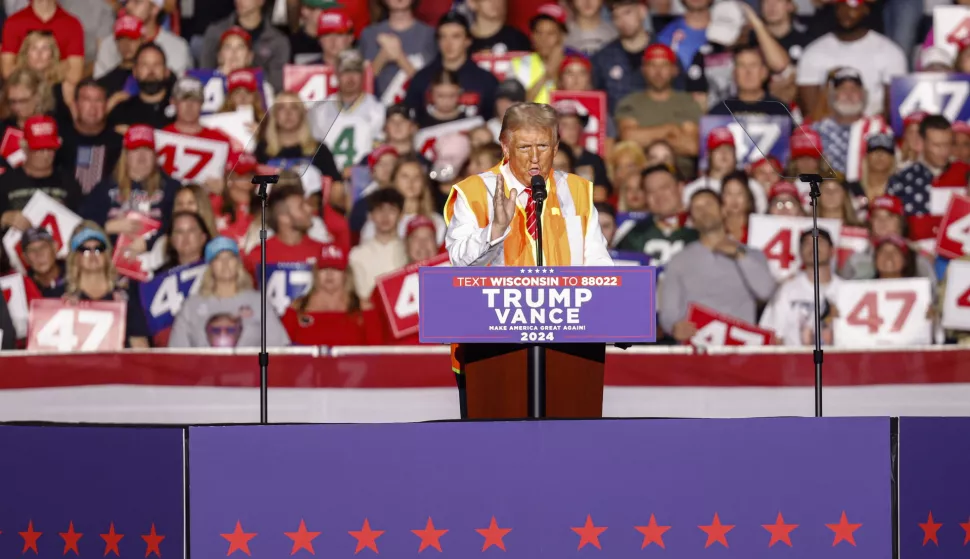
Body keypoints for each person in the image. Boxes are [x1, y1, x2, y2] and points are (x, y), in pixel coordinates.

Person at [658, 189, 776, 342]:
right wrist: (674, 327)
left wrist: (739, 255)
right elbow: (669, 312)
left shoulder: (751, 254)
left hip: (741, 352)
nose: (704, 211)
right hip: (697, 349)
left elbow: (766, 291)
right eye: (697, 208)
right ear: (691, 219)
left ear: (723, 210)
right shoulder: (679, 260)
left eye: (708, 204)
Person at [169, 236, 290, 347]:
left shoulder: (259, 302)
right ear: (210, 266)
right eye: (218, 258)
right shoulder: (191, 306)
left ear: (238, 263)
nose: (225, 264)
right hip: (204, 370)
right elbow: (177, 354)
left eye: (230, 258)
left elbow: (278, 348)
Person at [796, 0, 905, 117]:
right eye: (841, 7)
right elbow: (809, 112)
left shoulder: (890, 52)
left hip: (873, 129)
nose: (846, 13)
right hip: (826, 128)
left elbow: (893, 113)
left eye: (852, 7)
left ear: (865, 10)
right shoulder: (814, 52)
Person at [82, 125, 180, 241]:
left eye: (147, 149)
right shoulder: (105, 188)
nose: (141, 156)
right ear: (125, 155)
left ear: (155, 155)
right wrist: (108, 226)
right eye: (135, 149)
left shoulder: (171, 188)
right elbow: (82, 223)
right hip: (112, 255)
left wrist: (149, 243)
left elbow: (180, 226)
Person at [63, 223, 151, 347]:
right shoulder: (61, 296)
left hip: (120, 365)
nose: (93, 254)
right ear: (75, 257)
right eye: (85, 250)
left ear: (107, 254)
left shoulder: (126, 294)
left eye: (99, 248)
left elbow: (140, 344)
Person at [404, 13, 499, 123]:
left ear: (468, 41)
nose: (448, 44)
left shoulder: (486, 80)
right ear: (437, 41)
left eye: (456, 36)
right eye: (443, 37)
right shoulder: (421, 78)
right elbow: (409, 121)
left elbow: (495, 124)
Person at [282, 244, 383, 346]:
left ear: (346, 274)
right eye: (324, 268)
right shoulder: (297, 308)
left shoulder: (364, 309)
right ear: (316, 272)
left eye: (336, 268)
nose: (329, 273)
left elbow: (377, 353)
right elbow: (282, 351)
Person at [615, 44, 701, 163]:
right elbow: (628, 138)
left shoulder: (688, 102)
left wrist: (646, 136)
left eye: (664, 65)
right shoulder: (630, 102)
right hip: (642, 174)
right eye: (652, 65)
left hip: (681, 175)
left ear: (674, 70)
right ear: (643, 70)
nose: (658, 71)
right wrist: (669, 130)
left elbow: (692, 146)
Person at [760, 229, 841, 347]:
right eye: (807, 243)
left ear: (832, 251)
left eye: (820, 242)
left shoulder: (846, 290)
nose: (813, 246)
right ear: (800, 252)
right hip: (795, 362)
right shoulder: (787, 290)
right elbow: (773, 335)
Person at [0, 116, 83, 231]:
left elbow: (82, 224)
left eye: (50, 149)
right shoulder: (5, 182)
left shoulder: (68, 183)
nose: (45, 155)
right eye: (38, 149)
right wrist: (4, 218)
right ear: (24, 147)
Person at [310, 49, 386, 172]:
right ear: (337, 74)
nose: (350, 78)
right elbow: (314, 151)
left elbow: (378, 152)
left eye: (355, 71)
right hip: (328, 176)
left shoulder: (378, 109)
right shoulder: (319, 110)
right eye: (346, 71)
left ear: (363, 74)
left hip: (365, 175)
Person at [0, 0, 83, 105]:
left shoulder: (72, 24)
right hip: (21, 92)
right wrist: (59, 67)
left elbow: (75, 74)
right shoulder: (14, 22)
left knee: (68, 89)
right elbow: (7, 71)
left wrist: (26, 67)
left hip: (56, 93)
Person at [615, 164, 697, 269]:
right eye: (651, 191)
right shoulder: (636, 235)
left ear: (680, 188)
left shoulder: (700, 227)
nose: (659, 196)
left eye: (664, 188)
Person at [887, 115, 970, 217]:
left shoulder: (965, 175)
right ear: (921, 143)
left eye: (948, 144)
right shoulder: (901, 180)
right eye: (937, 145)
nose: (943, 151)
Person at [200, 0, 291, 91]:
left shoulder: (277, 41)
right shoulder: (215, 33)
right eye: (228, 47)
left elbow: (277, 88)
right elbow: (204, 75)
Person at [95, 0, 192, 79]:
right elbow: (98, 89)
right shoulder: (109, 44)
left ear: (155, 8)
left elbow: (180, 93)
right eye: (126, 2)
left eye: (137, 2)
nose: (128, 7)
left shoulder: (177, 47)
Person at [58, 80, 124, 196]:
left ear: (106, 104)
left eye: (98, 100)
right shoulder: (60, 139)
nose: (93, 107)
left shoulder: (119, 142)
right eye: (86, 100)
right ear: (76, 104)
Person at [242, 181, 325, 275]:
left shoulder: (323, 253)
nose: (309, 209)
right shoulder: (259, 257)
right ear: (283, 217)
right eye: (301, 206)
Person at [359, 0, 436, 99]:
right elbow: (360, 83)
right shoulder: (369, 34)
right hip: (375, 108)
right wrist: (382, 56)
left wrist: (399, 57)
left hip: (415, 106)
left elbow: (430, 86)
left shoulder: (429, 34)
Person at [361, 155, 447, 244]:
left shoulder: (437, 222)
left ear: (423, 183)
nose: (411, 182)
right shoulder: (380, 222)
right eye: (405, 176)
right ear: (394, 180)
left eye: (417, 177)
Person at [348, 188, 408, 306]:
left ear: (400, 215)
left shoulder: (409, 251)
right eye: (380, 210)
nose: (385, 216)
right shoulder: (356, 254)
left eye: (392, 210)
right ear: (370, 216)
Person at [509, 3, 574, 104]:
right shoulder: (518, 65)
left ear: (561, 37)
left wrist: (558, 74)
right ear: (532, 36)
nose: (543, 39)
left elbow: (578, 103)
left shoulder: (574, 65)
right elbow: (515, 107)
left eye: (550, 33)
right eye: (539, 33)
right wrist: (547, 75)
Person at [707, 45, 791, 117]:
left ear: (764, 72)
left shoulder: (780, 111)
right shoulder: (720, 113)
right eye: (742, 65)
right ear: (734, 73)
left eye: (753, 65)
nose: (748, 72)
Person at [108, 43, 174, 132]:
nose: (151, 71)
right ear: (134, 71)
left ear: (167, 71)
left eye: (157, 64)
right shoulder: (121, 111)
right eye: (144, 65)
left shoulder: (182, 109)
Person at [95, 14, 144, 95]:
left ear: (142, 41)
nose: (126, 45)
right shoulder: (104, 84)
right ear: (116, 43)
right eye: (121, 40)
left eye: (131, 39)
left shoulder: (153, 77)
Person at [19, 226, 65, 296]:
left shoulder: (76, 273)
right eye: (31, 250)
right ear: (25, 258)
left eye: (43, 247)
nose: (39, 254)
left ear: (55, 248)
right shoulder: (23, 290)